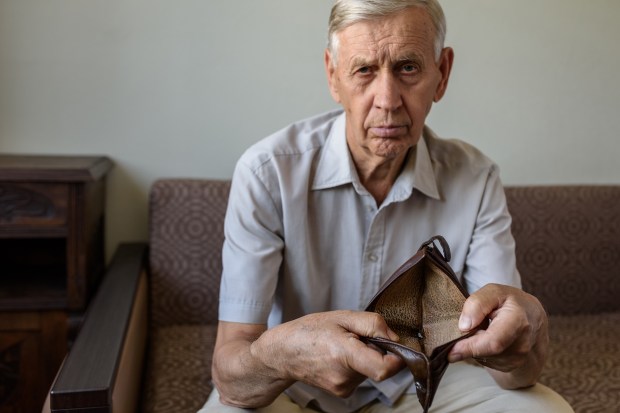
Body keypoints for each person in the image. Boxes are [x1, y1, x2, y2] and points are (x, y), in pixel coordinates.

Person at [200, 1, 573, 412]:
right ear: (333, 75)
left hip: (427, 387)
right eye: (364, 70)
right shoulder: (267, 172)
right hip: (292, 387)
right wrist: (283, 352)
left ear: (442, 73)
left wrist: (530, 327)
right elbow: (231, 371)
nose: (388, 100)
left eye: (407, 67)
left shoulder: (475, 177)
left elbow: (512, 372)